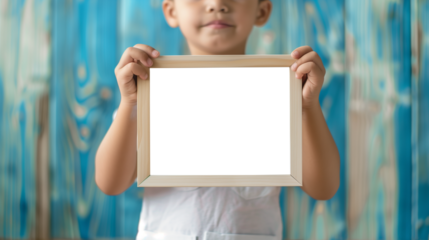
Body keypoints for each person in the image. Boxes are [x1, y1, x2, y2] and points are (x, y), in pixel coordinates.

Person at [95, 0, 340, 239]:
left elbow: (323, 188)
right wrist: (130, 104)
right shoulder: (147, 94)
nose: (216, 3)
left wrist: (308, 107)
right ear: (171, 11)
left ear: (262, 10)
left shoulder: (285, 95)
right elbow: (110, 183)